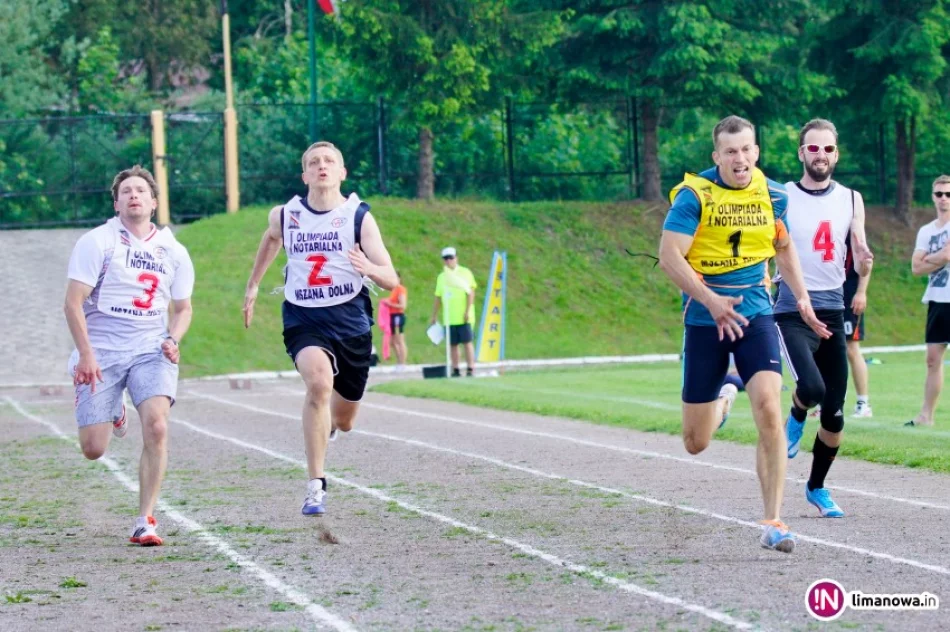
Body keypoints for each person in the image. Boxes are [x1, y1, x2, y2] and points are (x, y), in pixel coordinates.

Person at [658, 115, 829, 553]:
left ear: (756, 151)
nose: (740, 158)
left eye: (746, 149)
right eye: (730, 152)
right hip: (705, 320)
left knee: (771, 410)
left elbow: (784, 247)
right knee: (696, 443)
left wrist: (803, 300)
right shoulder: (694, 197)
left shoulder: (773, 196)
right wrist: (711, 301)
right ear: (717, 157)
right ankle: (723, 398)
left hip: (756, 315)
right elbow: (669, 257)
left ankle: (774, 521)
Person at [243, 141, 397, 515]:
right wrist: (253, 285)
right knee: (318, 384)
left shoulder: (358, 217)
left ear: (342, 172)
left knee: (344, 420)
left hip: (350, 319)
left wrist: (370, 269)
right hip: (304, 316)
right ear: (305, 175)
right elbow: (270, 240)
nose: (322, 166)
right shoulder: (286, 214)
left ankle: (328, 425)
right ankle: (316, 484)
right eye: (314, 162)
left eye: (329, 161)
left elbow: (391, 278)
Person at [64, 165, 195, 547]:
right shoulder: (98, 242)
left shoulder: (173, 250)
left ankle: (145, 520)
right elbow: (72, 305)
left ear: (153, 202)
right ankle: (115, 408)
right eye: (126, 192)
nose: (133, 195)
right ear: (117, 202)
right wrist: (86, 355)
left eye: (141, 190)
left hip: (149, 349)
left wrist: (173, 337)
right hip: (101, 351)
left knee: (156, 425)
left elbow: (184, 308)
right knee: (93, 449)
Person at [776, 119, 873, 519]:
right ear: (801, 152)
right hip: (791, 309)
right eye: (813, 149)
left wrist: (865, 259)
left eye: (827, 149)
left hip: (833, 309)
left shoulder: (851, 198)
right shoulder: (780, 195)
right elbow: (771, 245)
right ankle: (796, 415)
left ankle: (816, 487)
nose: (820, 156)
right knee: (811, 387)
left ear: (837, 153)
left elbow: (858, 244)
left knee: (834, 415)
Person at [907, 175, 950, 427]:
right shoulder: (926, 230)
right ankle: (926, 416)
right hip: (937, 299)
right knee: (933, 359)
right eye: (939, 194)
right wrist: (941, 257)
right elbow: (915, 267)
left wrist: (929, 260)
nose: (944, 199)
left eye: (948, 194)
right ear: (933, 196)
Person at [429, 247, 477, 377]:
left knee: (467, 342)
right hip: (449, 317)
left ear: (456, 258)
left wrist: (467, 311)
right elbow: (438, 297)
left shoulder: (465, 273)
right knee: (453, 344)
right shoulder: (442, 277)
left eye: (451, 258)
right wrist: (434, 315)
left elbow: (471, 292)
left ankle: (470, 368)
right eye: (446, 259)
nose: (449, 261)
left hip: (463, 316)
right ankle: (456, 369)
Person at [843, 240, 873, 417]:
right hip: (827, 293)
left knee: (851, 348)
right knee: (824, 349)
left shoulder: (852, 228)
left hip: (848, 294)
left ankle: (863, 403)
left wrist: (861, 292)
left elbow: (866, 259)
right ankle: (825, 404)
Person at [382, 270, 408, 367]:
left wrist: (390, 304)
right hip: (392, 316)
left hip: (398, 316)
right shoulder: (393, 290)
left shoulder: (400, 289)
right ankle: (399, 361)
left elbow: (403, 305)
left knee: (399, 340)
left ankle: (403, 362)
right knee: (392, 342)